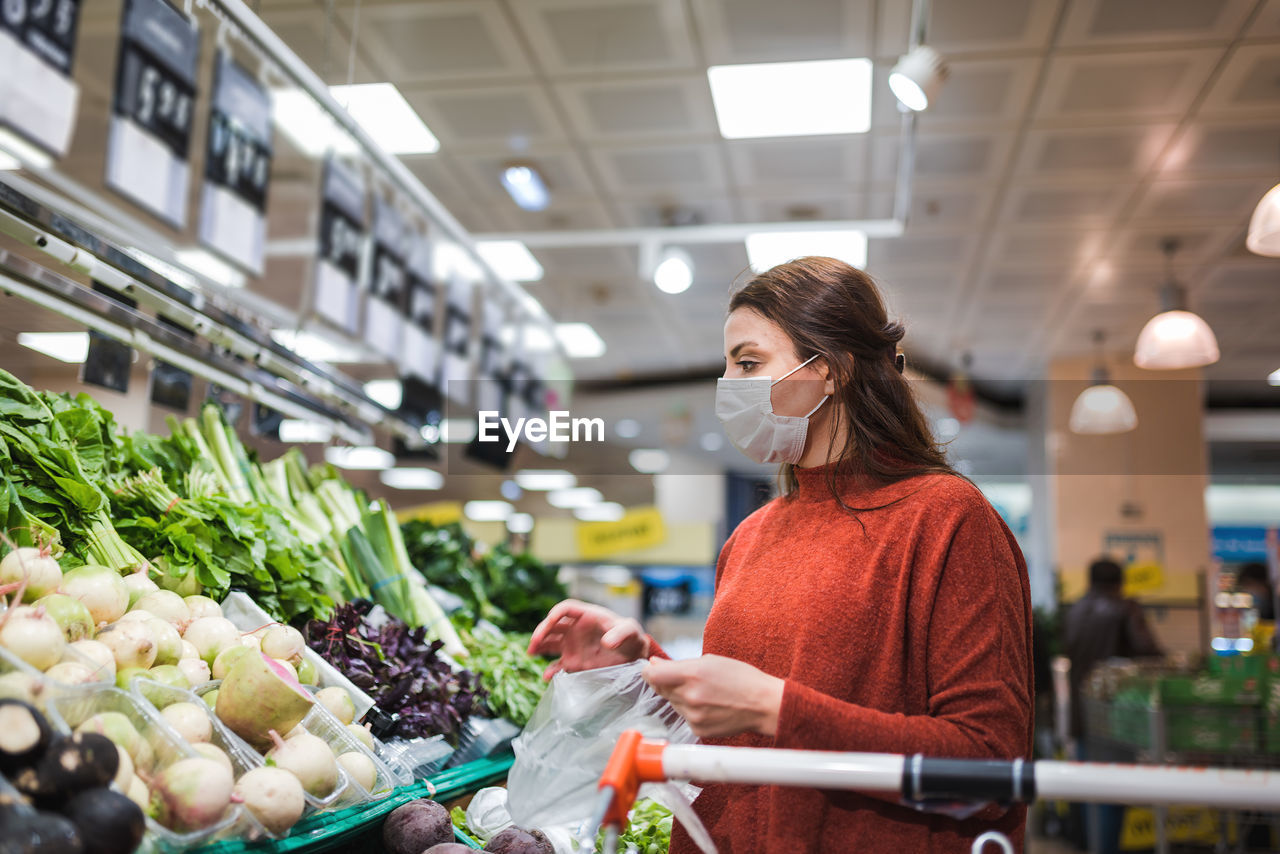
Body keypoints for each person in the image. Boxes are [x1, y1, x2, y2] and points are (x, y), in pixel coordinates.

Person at [529, 257, 1034, 854]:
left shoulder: (948, 519)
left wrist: (776, 708)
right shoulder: (751, 535)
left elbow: (990, 761)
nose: (727, 383)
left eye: (747, 362)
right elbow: (736, 733)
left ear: (832, 371)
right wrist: (643, 665)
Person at [1062, 557, 1162, 854]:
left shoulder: (1075, 610)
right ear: (1120, 581)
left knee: (1087, 793)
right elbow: (1148, 651)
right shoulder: (1125, 608)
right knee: (1111, 795)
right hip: (1114, 718)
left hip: (1081, 716)